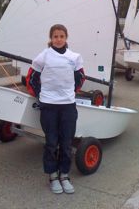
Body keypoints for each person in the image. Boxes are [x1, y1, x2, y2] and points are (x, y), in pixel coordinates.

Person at [26, 24, 85, 194]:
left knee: (66, 143)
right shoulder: (43, 57)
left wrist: (70, 93)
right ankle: (53, 176)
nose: (58, 39)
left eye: (61, 36)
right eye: (55, 36)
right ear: (51, 39)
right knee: (51, 143)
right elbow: (31, 78)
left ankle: (64, 175)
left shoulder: (74, 57)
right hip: (49, 107)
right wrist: (40, 95)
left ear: (66, 38)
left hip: (68, 106)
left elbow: (80, 78)